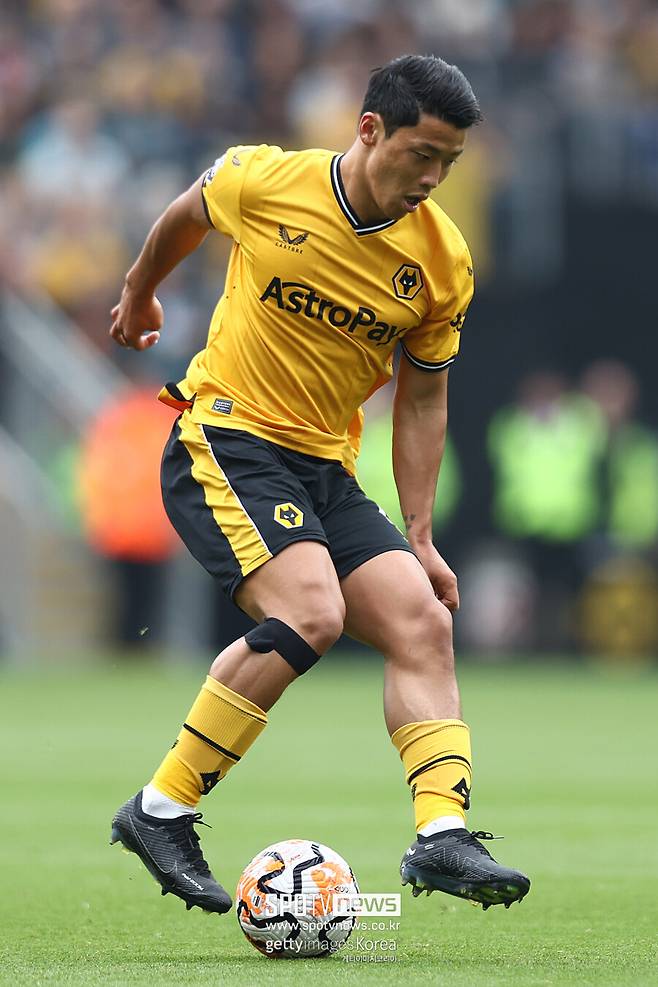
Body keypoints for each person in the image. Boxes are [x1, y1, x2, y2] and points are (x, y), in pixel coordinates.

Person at [109, 54, 530, 914]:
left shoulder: (442, 260)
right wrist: (140, 291)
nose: (433, 178)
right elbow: (188, 213)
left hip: (323, 468)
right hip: (227, 436)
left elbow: (423, 400)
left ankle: (441, 833)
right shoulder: (266, 179)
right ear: (369, 129)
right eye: (422, 154)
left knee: (421, 617)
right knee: (313, 612)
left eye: (449, 162)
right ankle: (162, 808)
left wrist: (419, 535)